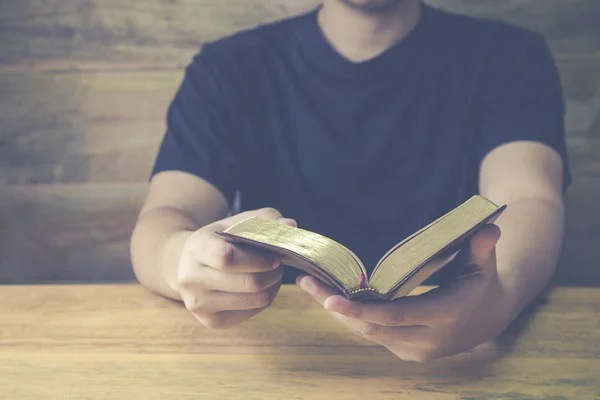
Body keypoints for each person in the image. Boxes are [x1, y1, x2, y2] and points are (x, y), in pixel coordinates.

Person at [130, 0, 570, 362]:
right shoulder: (228, 68)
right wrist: (183, 260)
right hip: (285, 352)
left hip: (461, 351)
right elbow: (167, 216)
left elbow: (529, 196)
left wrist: (500, 298)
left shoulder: (508, 56)